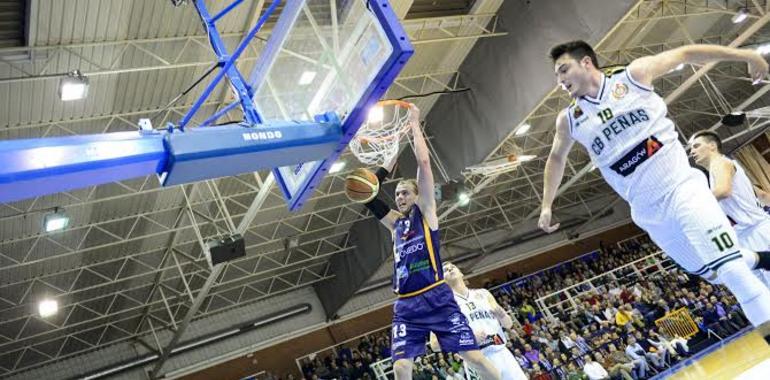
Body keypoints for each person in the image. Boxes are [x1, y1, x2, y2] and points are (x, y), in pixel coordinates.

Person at [538, 40, 770, 329]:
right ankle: (758, 258)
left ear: (586, 62)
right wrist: (547, 204)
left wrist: (746, 54)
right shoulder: (569, 120)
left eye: (563, 70)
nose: (560, 80)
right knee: (715, 274)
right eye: (556, 75)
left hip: (683, 189)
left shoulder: (633, 76)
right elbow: (556, 159)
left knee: (734, 274)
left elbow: (686, 53)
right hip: (649, 213)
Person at [363, 104, 501, 380]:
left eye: (405, 193)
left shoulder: (426, 213)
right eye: (397, 194)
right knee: (401, 366)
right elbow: (367, 194)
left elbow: (424, 164)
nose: (400, 197)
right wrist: (386, 166)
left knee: (472, 357)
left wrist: (414, 123)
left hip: (436, 296)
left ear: (416, 196)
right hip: (406, 304)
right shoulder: (394, 223)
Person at [688, 130, 770, 275]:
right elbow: (762, 195)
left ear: (712, 146)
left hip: (755, 231)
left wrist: (694, 207)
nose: (692, 151)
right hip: (756, 229)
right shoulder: (725, 166)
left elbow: (723, 191)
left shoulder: (719, 163)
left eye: (696, 146)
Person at [431, 262, 528, 380]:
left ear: (461, 273)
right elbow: (435, 345)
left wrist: (503, 316)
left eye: (453, 267)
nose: (450, 269)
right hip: (477, 359)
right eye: (445, 270)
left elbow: (508, 324)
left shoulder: (483, 293)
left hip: (502, 352)